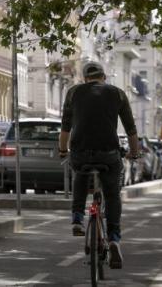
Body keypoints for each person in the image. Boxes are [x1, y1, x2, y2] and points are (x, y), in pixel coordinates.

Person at [59, 61, 139, 269]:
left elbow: (65, 126)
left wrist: (62, 150)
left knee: (80, 174)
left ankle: (77, 218)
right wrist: (135, 153)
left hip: (80, 152)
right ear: (103, 76)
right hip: (109, 153)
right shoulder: (118, 93)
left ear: (85, 78)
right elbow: (131, 129)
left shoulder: (73, 93)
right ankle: (113, 238)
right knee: (112, 195)